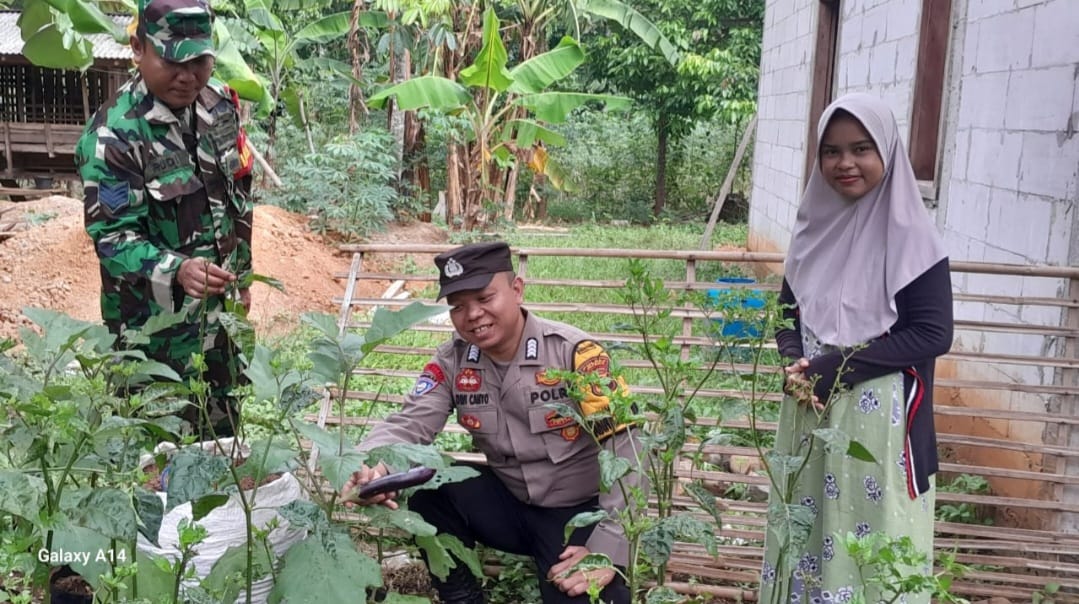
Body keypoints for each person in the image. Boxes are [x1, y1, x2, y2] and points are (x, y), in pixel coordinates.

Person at [342, 241, 643, 604]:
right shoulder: (454, 360)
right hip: (509, 504)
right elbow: (412, 422)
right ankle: (462, 596)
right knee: (426, 483)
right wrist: (371, 466)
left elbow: (627, 448)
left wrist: (607, 547)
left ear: (516, 290)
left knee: (590, 596)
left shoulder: (574, 354)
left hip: (577, 516)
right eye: (458, 306)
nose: (472, 315)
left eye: (484, 298)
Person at [759, 93, 953, 602]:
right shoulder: (810, 232)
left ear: (887, 153)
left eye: (862, 148)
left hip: (880, 432)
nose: (845, 163)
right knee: (806, 536)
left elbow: (933, 334)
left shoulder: (913, 239)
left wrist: (837, 367)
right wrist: (792, 362)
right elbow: (788, 313)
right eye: (831, 151)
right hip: (810, 415)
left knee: (870, 551)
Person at [76, 0, 255, 438]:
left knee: (224, 446)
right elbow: (113, 238)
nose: (188, 75)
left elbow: (239, 199)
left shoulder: (219, 110)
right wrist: (178, 269)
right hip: (152, 335)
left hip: (219, 329)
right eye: (173, 59)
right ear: (138, 49)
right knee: (156, 461)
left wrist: (244, 277)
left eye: (199, 60)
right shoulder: (115, 135)